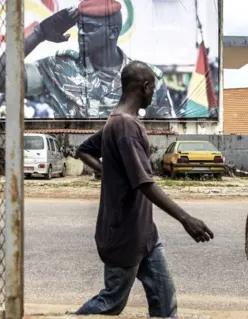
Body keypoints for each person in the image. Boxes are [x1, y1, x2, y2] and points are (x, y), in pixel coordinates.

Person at [74, 60, 214, 318]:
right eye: (153, 88)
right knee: (111, 302)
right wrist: (186, 218)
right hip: (125, 233)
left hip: (145, 232)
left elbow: (83, 150)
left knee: (164, 298)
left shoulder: (116, 122)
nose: (154, 94)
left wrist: (111, 172)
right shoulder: (125, 125)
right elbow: (145, 183)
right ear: (145, 86)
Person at [0, 0, 176, 119]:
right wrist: (39, 34)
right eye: (80, 27)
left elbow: (166, 131)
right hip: (71, 168)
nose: (82, 33)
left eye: (91, 28)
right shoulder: (60, 68)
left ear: (113, 32)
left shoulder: (148, 77)